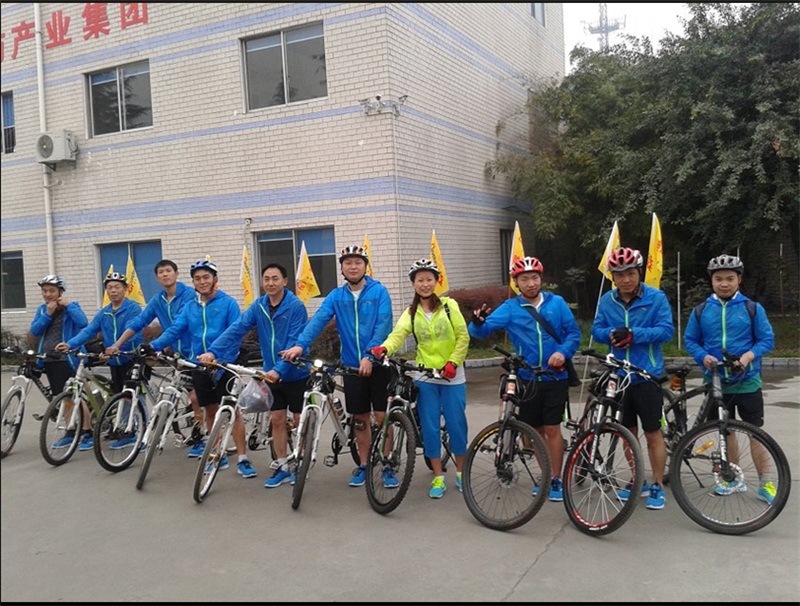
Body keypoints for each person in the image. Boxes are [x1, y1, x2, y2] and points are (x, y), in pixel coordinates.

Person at [468, 256, 581, 502]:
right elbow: (481, 331)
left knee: (552, 428)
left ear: (541, 279)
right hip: (527, 378)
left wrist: (563, 352)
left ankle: (557, 478)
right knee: (536, 431)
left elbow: (573, 334)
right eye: (525, 279)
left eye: (535, 278)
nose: (531, 283)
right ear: (517, 282)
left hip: (555, 376)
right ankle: (547, 474)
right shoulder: (511, 307)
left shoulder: (557, 303)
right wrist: (476, 323)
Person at [281, 244, 393, 488]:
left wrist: (370, 355)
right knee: (360, 418)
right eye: (348, 263)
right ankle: (364, 464)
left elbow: (383, 326)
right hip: (351, 367)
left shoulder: (379, 292)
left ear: (365, 266)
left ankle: (387, 464)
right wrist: (300, 345)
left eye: (358, 262)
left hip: (378, 364)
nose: (353, 267)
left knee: (383, 417)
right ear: (342, 268)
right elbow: (319, 320)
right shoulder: (336, 296)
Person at [143, 258, 257, 478]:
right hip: (199, 364)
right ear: (193, 282)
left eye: (206, 277)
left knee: (232, 412)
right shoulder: (190, 307)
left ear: (215, 279)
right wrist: (153, 345)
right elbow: (175, 329)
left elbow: (235, 333)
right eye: (197, 278)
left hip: (225, 364)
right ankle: (216, 454)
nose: (202, 281)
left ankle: (243, 458)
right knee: (210, 410)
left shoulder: (228, 304)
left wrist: (215, 353)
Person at [200, 263, 310, 489]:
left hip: (295, 373)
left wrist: (279, 369)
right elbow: (237, 328)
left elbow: (295, 341)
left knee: (301, 422)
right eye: (266, 279)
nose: (270, 283)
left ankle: (301, 463)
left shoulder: (296, 306)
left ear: (285, 281)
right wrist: (213, 351)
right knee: (277, 420)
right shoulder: (259, 305)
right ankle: (282, 466)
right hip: (271, 373)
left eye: (275, 278)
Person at [369, 258, 470, 499]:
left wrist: (453, 362)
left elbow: (463, 336)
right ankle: (438, 476)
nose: (425, 284)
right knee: (430, 427)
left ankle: (460, 471)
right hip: (425, 376)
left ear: (436, 281)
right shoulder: (411, 312)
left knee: (456, 425)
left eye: (429, 279)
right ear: (413, 284)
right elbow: (398, 335)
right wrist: (384, 348)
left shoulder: (449, 306)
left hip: (452, 376)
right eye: (420, 280)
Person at [683, 254, 776, 503]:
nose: (724, 284)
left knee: (755, 433)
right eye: (719, 279)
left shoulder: (752, 308)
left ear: (739, 280)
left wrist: (748, 356)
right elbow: (690, 340)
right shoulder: (701, 310)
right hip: (716, 382)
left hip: (747, 380)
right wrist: (703, 356)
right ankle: (733, 479)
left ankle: (766, 483)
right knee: (726, 432)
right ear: (711, 281)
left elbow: (766, 339)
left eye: (729, 278)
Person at [591, 246, 674, 510]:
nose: (625, 279)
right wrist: (611, 334)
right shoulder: (607, 300)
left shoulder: (656, 298)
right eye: (619, 275)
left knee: (653, 433)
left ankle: (657, 483)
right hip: (619, 376)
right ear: (613, 277)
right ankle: (637, 479)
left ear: (639, 273)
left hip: (646, 375)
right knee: (628, 433)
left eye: (630, 274)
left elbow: (666, 331)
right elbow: (596, 329)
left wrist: (634, 334)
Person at [105, 259, 202, 436]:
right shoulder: (158, 300)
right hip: (177, 352)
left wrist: (155, 345)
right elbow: (140, 321)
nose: (165, 274)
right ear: (157, 277)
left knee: (196, 396)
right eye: (161, 272)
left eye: (168, 271)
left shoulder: (189, 295)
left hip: (196, 351)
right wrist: (116, 344)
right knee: (182, 391)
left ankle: (200, 435)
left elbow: (178, 326)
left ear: (176, 273)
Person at [56, 271, 144, 451]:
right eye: (109, 288)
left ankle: (142, 434)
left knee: (135, 396)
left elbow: (133, 331)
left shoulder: (133, 308)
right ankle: (127, 432)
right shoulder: (104, 312)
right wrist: (70, 344)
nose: (113, 291)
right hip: (114, 361)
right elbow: (88, 331)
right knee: (121, 396)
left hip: (131, 357)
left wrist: (118, 347)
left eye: (117, 287)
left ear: (125, 289)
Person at [30, 275, 89, 450]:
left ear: (60, 292)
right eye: (44, 291)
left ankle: (87, 431)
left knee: (75, 396)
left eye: (52, 291)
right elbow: (35, 330)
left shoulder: (71, 307)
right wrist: (48, 314)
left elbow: (83, 322)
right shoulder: (42, 310)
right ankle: (70, 431)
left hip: (68, 358)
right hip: (49, 359)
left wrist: (69, 306)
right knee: (62, 398)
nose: (48, 294)